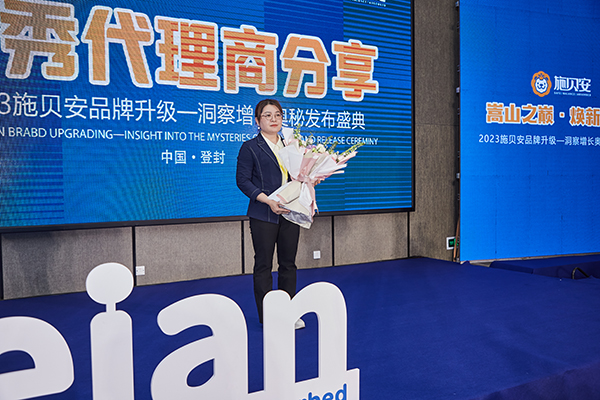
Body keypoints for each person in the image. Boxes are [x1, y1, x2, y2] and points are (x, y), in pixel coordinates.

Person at [236, 99, 305, 329]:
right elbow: (242, 180)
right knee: (264, 265)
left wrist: (309, 181)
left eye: (277, 115)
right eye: (267, 115)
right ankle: (268, 316)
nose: (274, 119)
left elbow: (299, 176)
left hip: (290, 213)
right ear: (257, 121)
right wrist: (268, 200)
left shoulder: (291, 146)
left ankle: (288, 313)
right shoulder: (250, 147)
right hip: (263, 214)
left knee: (288, 264)